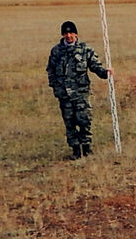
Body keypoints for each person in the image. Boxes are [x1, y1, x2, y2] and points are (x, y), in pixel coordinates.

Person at [46, 20, 112, 159]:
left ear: (76, 34)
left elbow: (95, 66)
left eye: (71, 33)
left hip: (81, 93)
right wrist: (55, 87)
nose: (69, 36)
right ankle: (75, 150)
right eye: (66, 33)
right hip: (64, 95)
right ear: (63, 35)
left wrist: (105, 73)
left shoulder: (85, 50)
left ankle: (86, 147)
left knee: (84, 120)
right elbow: (50, 70)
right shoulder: (56, 51)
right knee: (69, 122)